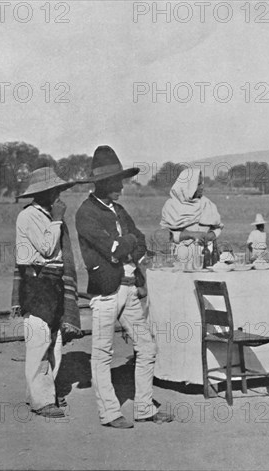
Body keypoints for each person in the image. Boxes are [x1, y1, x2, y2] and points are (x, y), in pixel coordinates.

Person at [76, 145, 173, 428]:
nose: (121, 186)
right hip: (106, 292)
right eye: (117, 181)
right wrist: (127, 243)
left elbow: (138, 241)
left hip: (129, 289)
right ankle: (109, 412)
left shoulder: (118, 210)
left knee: (147, 347)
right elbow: (115, 249)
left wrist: (127, 244)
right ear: (103, 184)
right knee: (103, 352)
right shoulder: (86, 214)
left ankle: (144, 408)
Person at [11, 167, 83, 418]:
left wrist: (55, 218)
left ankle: (46, 391)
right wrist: (57, 219)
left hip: (53, 282)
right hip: (37, 281)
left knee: (56, 341)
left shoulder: (48, 214)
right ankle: (41, 400)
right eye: (54, 190)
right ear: (42, 193)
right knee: (39, 339)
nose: (58, 194)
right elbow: (46, 248)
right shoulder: (30, 216)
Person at [160, 168, 224, 269]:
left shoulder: (207, 204)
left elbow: (217, 228)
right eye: (198, 184)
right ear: (188, 186)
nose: (202, 187)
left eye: (202, 183)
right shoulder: (171, 206)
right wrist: (192, 234)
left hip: (208, 254)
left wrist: (210, 236)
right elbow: (168, 235)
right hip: (183, 255)